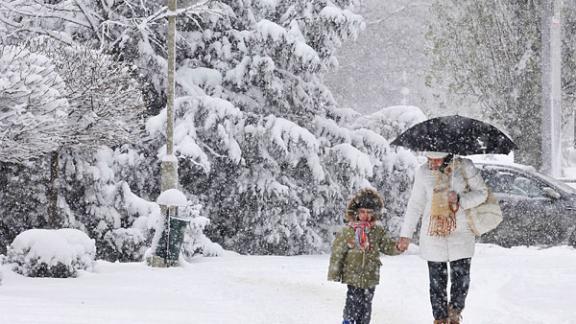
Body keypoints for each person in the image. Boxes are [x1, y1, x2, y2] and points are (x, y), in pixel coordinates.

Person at [396, 152, 488, 324]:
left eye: (436, 159)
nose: (432, 163)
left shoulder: (465, 167)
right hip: (434, 233)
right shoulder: (423, 172)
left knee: (461, 280)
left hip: (461, 232)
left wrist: (459, 199)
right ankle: (439, 319)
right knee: (436, 283)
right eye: (429, 159)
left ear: (447, 155)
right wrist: (405, 235)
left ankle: (454, 315)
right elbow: (415, 203)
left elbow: (482, 193)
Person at [327, 188, 398, 324]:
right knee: (353, 299)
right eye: (362, 212)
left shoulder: (377, 231)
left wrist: (398, 247)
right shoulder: (348, 230)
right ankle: (348, 321)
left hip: (370, 273)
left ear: (374, 214)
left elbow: (387, 246)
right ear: (356, 212)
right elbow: (338, 253)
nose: (365, 215)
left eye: (369, 212)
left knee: (366, 304)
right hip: (352, 273)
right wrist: (334, 273)